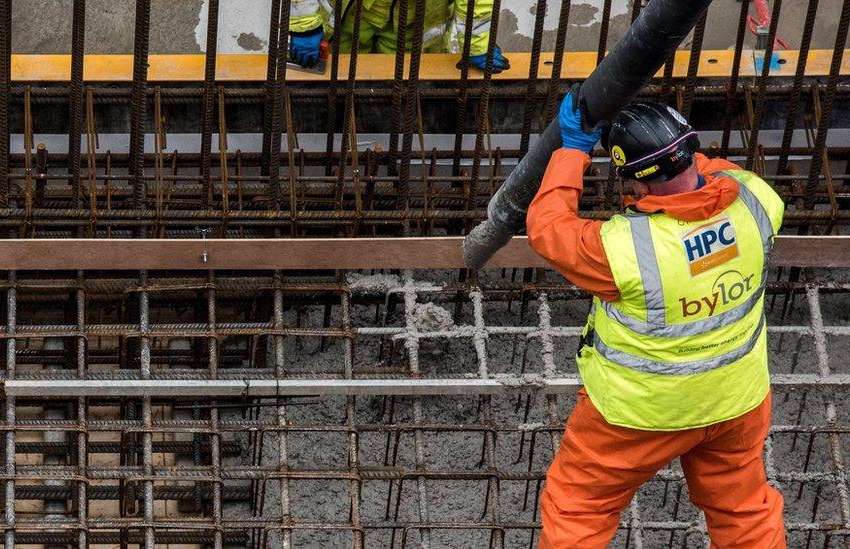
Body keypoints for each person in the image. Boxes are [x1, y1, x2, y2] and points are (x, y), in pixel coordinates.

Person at [525, 85, 786, 548]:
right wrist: (659, 145)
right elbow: (713, 172)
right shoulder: (758, 201)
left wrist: (572, 152)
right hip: (736, 400)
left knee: (579, 509)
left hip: (637, 414)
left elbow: (548, 228)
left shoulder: (623, 250)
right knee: (744, 512)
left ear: (635, 182)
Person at [288, 0, 509, 73]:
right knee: (337, 86)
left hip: (413, 21)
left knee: (400, 98)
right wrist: (304, 27)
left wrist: (477, 45)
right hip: (351, 16)